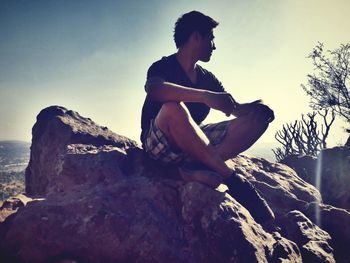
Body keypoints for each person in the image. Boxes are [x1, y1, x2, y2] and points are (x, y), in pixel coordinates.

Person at [140, 11, 275, 224]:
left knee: (256, 121)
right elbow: (155, 90)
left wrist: (257, 109)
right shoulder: (163, 66)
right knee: (173, 108)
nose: (214, 46)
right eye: (211, 38)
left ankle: (193, 169)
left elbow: (234, 108)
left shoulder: (208, 78)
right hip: (160, 144)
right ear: (196, 37)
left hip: (194, 145)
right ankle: (234, 180)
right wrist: (204, 96)